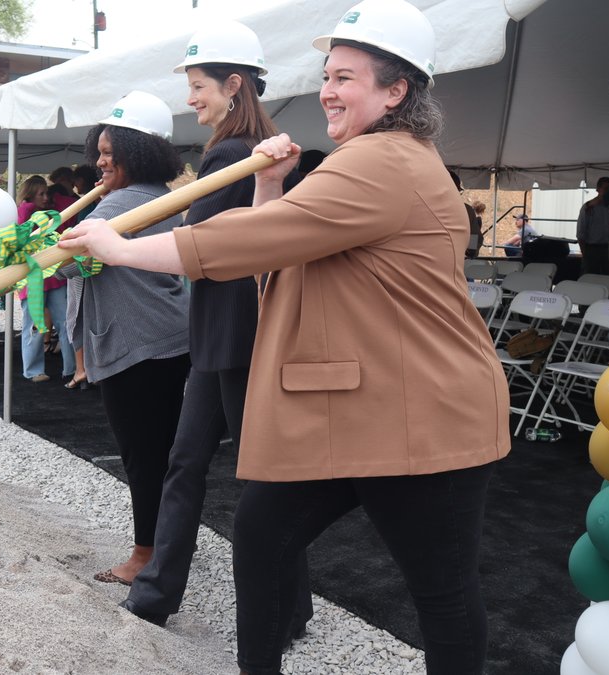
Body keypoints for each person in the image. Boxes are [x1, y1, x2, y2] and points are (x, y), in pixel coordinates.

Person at [60, 2, 510, 673]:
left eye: (348, 77)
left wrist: (121, 248)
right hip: (365, 408)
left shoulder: (385, 162)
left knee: (441, 594)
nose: (327, 89)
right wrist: (269, 184)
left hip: (425, 415)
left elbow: (246, 242)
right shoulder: (371, 159)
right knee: (263, 531)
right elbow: (274, 254)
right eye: (327, 74)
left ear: (397, 91)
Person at [117, 20, 312, 633]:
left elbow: (192, 238)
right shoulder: (249, 147)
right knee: (203, 464)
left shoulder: (236, 154)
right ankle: (168, 595)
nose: (190, 98)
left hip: (235, 334)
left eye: (198, 86)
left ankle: (184, 598)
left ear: (234, 85)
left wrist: (110, 239)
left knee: (247, 473)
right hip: (226, 334)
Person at [59, 90, 191, 587]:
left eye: (110, 155)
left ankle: (145, 554)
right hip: (171, 334)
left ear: (137, 154)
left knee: (143, 453)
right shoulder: (163, 197)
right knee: (163, 449)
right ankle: (166, 544)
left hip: (138, 344)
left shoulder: (117, 206)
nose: (99, 163)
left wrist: (41, 241)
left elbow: (69, 261)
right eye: (100, 152)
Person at [16, 176, 74, 383]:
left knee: (66, 323)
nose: (46, 197)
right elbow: (22, 228)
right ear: (30, 195)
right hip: (36, 278)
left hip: (52, 276)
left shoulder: (48, 211)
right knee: (35, 326)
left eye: (46, 193)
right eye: (41, 193)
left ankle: (71, 368)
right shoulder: (28, 211)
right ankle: (33, 370)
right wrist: (30, 206)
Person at [63, 164, 101, 389]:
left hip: (82, 265)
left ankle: (80, 370)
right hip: (93, 263)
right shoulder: (97, 202)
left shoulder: (87, 204)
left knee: (76, 315)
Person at [577, 176, 609, 275]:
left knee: (607, 279)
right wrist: (585, 255)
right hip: (592, 250)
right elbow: (580, 234)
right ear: (598, 189)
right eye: (606, 189)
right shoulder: (588, 208)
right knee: (590, 280)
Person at [451, 170, 482, 257]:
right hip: (456, 261)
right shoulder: (466, 210)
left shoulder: (421, 207)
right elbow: (474, 237)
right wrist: (470, 254)